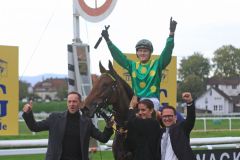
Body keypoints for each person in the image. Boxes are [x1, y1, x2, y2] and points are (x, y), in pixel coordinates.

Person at [101, 17, 177, 111]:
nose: (142, 53)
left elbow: (167, 52)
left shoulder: (157, 64)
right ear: (137, 53)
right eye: (140, 51)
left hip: (152, 101)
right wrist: (108, 40)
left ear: (150, 53)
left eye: (145, 51)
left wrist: (171, 34)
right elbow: (119, 56)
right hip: (136, 100)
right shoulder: (132, 66)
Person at [22, 91, 114, 160]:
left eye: (74, 101)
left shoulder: (86, 122)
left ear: (80, 103)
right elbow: (34, 127)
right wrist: (28, 113)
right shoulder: (54, 118)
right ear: (67, 103)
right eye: (69, 102)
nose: (72, 104)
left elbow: (103, 138)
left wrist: (108, 127)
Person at [159, 92, 196, 160]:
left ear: (175, 117)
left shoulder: (181, 129)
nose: (167, 118)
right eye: (164, 116)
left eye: (169, 116)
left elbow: (190, 120)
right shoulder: (159, 133)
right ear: (161, 117)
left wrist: (189, 102)